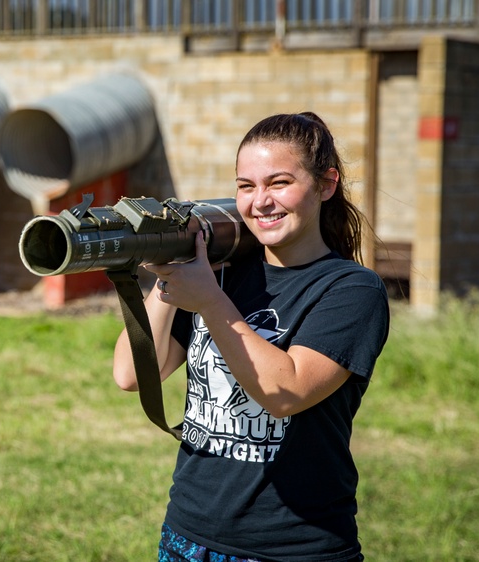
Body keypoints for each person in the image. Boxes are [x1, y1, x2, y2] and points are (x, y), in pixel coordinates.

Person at [113, 113, 389, 561]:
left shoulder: (351, 290)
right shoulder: (221, 274)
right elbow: (131, 373)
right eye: (246, 185)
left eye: (279, 182)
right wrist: (171, 265)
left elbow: (285, 392)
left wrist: (207, 299)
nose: (260, 201)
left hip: (292, 548)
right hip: (188, 535)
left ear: (326, 184)